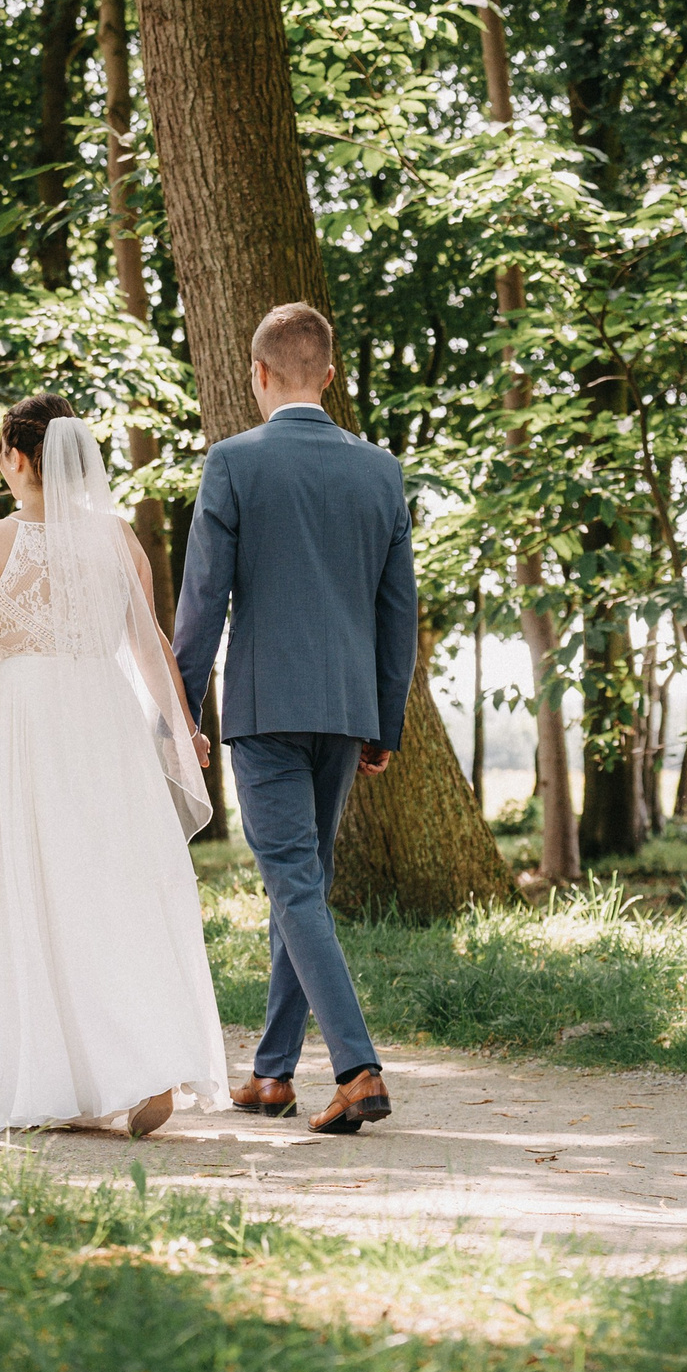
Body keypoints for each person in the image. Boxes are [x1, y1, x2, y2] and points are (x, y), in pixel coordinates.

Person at [0, 397, 229, 1136]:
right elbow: (151, 646)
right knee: (110, 885)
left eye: (1, 451)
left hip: (21, 724)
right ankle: (140, 1060)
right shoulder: (119, 540)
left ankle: (50, 1072)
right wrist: (180, 725)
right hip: (104, 719)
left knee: (28, 888)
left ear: (20, 459)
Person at [171, 303, 417, 1135]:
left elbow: (204, 597)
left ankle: (357, 1067)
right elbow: (398, 612)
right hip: (347, 711)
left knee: (295, 884)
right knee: (301, 883)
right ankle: (271, 1074)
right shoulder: (381, 471)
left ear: (259, 374)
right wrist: (385, 720)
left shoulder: (233, 462)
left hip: (267, 708)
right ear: (332, 373)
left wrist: (181, 706)